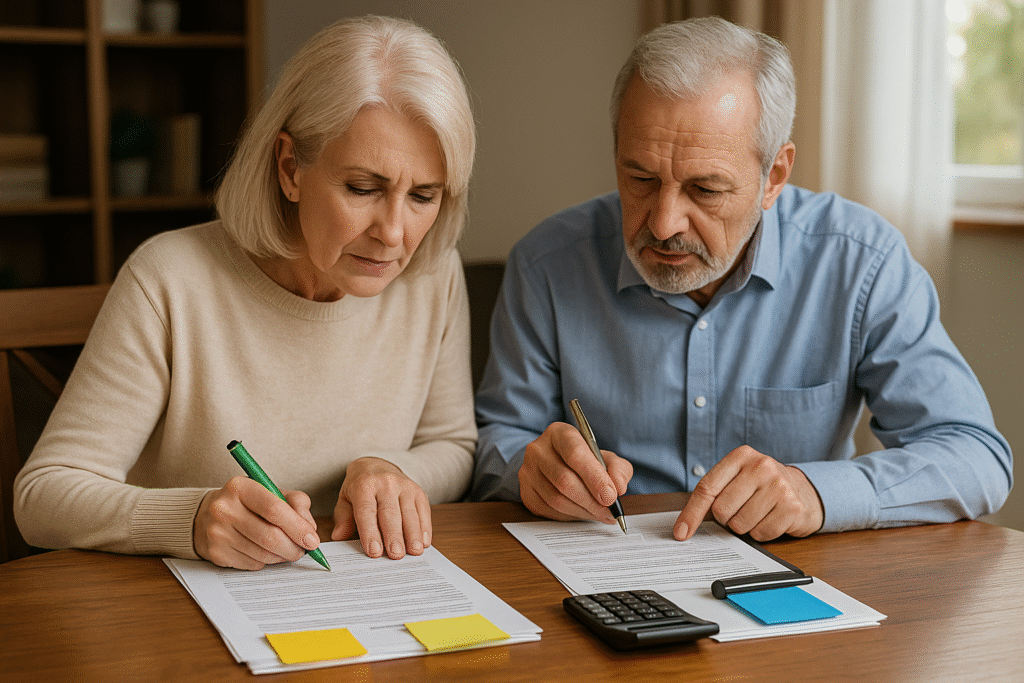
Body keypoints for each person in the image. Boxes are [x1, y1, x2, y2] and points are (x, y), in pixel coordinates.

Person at [471, 17, 1012, 542]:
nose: (663, 222)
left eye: (705, 190)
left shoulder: (859, 263)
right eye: (640, 178)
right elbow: (500, 440)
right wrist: (531, 470)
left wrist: (814, 493)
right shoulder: (546, 263)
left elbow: (974, 456)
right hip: (602, 575)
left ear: (773, 176)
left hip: (803, 584)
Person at [15, 15, 477, 569]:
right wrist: (192, 519)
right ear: (289, 168)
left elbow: (454, 446)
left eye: (424, 196)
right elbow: (43, 495)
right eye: (362, 188)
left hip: (355, 599)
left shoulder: (433, 275)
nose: (394, 233)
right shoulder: (170, 278)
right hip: (177, 616)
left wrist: (392, 469)